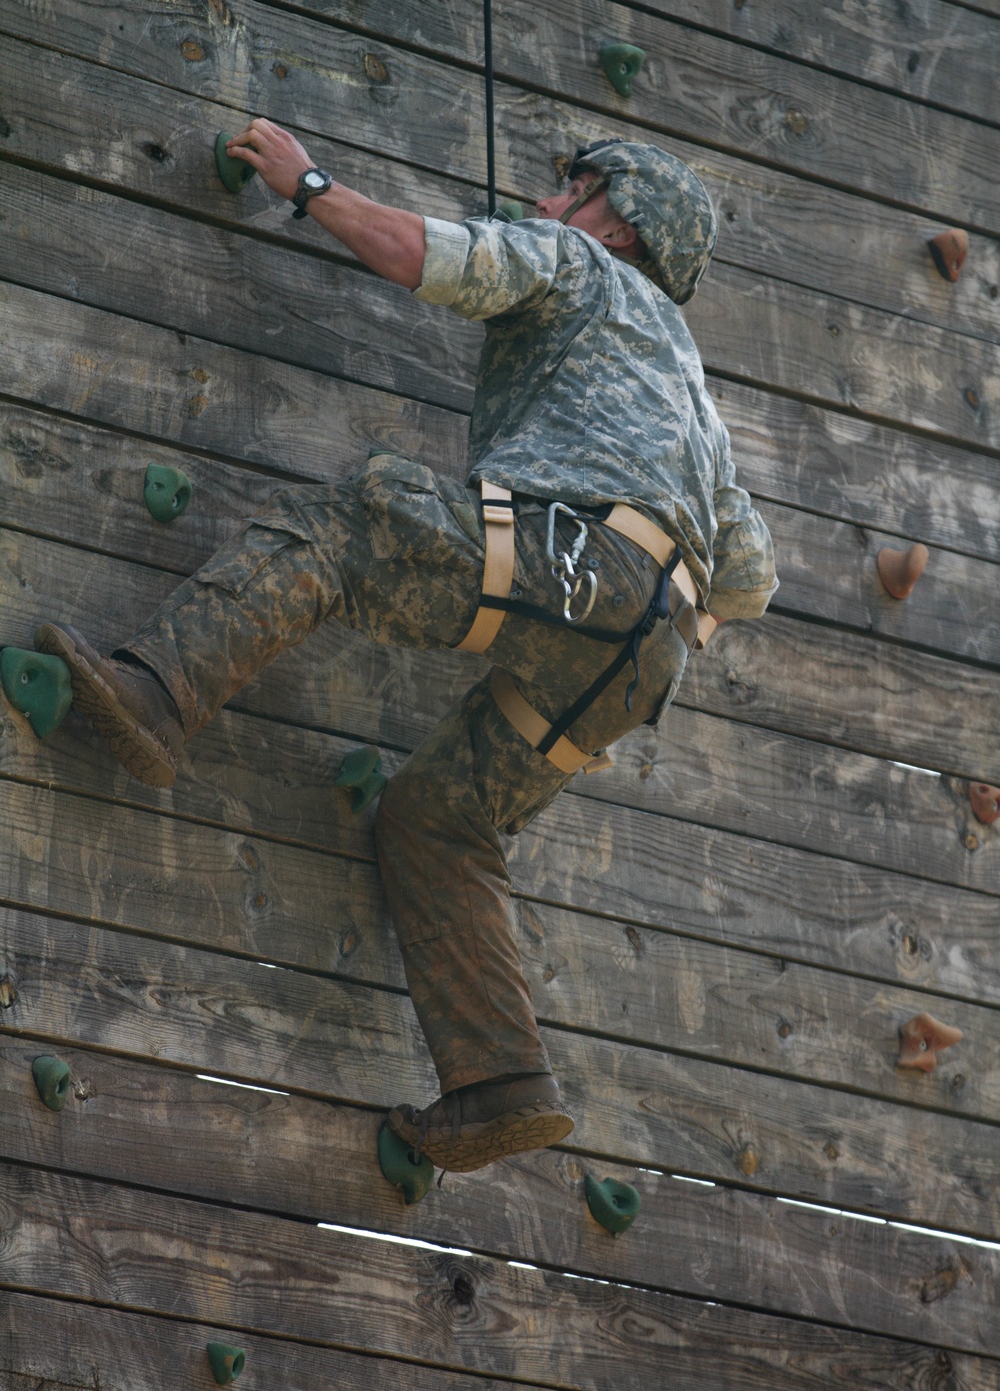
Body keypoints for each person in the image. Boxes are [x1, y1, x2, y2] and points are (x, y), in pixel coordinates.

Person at [36, 119, 777, 1173]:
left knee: (362, 520)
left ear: (617, 224)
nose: (549, 192)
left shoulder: (572, 263)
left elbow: (419, 257)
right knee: (440, 819)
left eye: (573, 183)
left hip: (582, 565)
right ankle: (498, 1084)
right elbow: (748, 577)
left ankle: (157, 695)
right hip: (645, 655)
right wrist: (661, 608)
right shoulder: (694, 396)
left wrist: (310, 183)